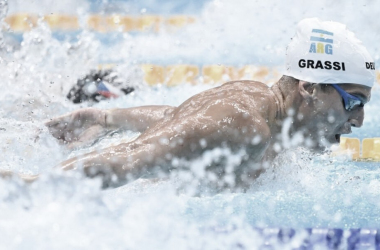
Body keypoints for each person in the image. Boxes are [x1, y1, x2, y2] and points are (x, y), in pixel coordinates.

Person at [14, 18, 379, 190]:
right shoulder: (245, 125)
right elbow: (134, 157)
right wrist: (31, 187)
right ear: (310, 88)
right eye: (352, 104)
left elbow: (180, 122)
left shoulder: (266, 114)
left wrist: (107, 117)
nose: (360, 121)